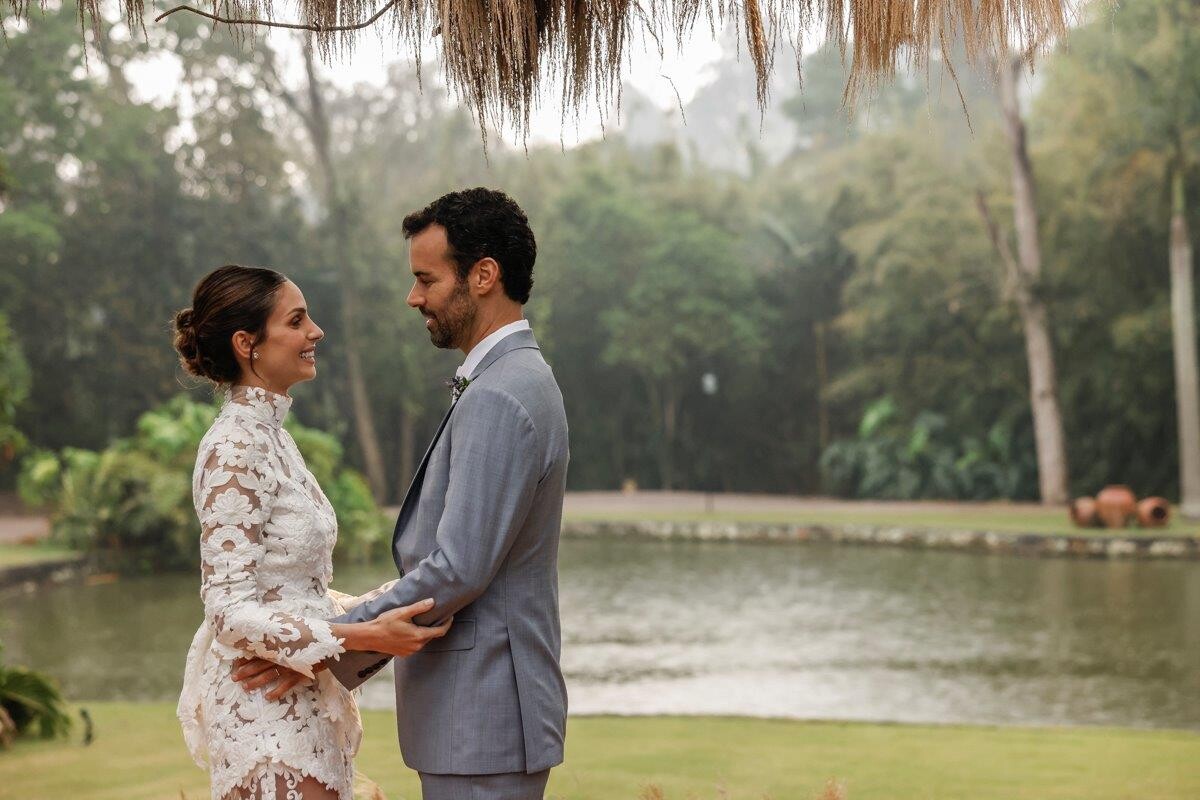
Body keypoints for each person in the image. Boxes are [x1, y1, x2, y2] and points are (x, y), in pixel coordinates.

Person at [237, 188, 570, 800]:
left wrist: (324, 643)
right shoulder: (512, 379)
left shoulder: (501, 393)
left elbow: (457, 567)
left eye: (426, 279)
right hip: (481, 715)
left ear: (483, 276)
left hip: (483, 712)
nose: (414, 297)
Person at [174, 264, 451, 800]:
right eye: (297, 321)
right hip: (265, 717)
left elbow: (300, 595)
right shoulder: (234, 448)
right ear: (246, 343)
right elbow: (228, 611)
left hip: (301, 693)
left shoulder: (275, 439)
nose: (315, 331)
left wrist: (416, 591)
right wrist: (368, 636)